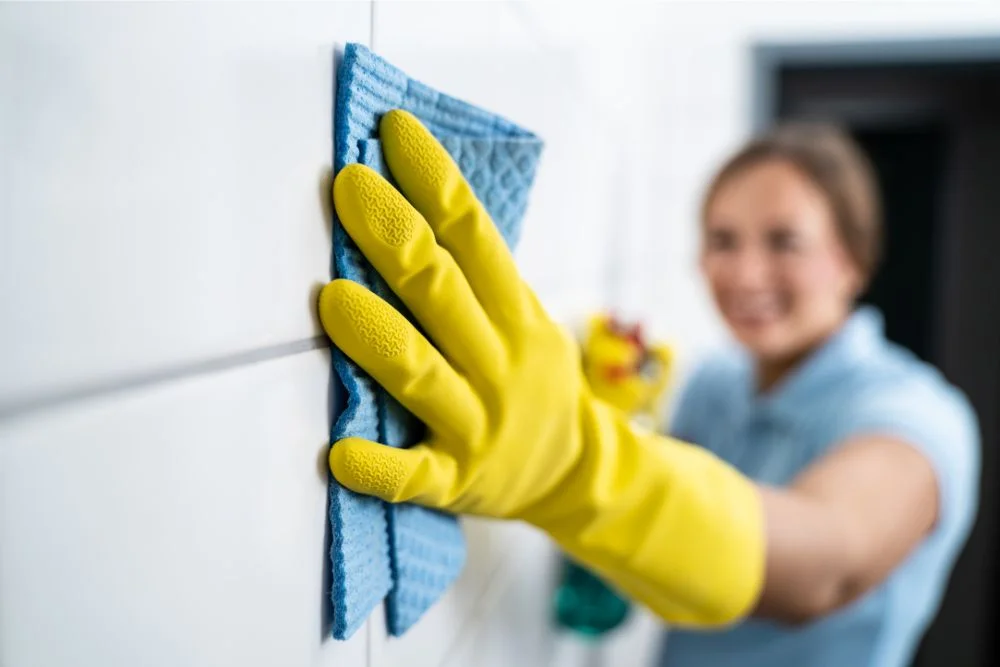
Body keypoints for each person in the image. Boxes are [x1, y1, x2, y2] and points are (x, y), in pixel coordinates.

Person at [317, 110, 979, 667]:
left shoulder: (916, 413)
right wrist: (609, 409)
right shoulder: (716, 385)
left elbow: (827, 562)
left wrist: (573, 462)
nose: (746, 272)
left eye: (784, 241)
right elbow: (662, 531)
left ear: (852, 259)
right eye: (723, 239)